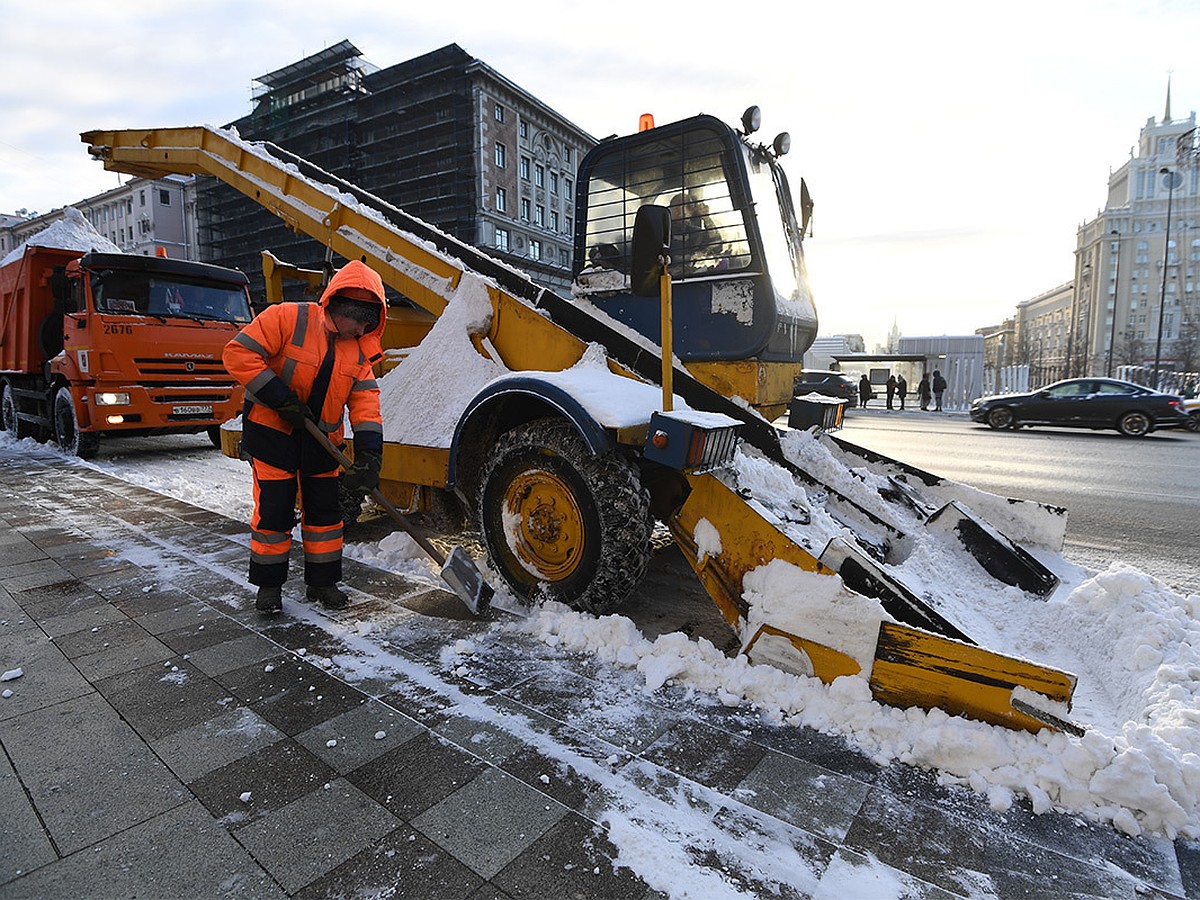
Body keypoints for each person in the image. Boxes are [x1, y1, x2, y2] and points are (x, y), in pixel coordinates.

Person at [223, 260, 387, 615]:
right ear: (340, 307)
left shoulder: (359, 351)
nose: (361, 329)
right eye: (358, 319)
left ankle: (323, 582)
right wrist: (280, 397)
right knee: (275, 512)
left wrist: (371, 456)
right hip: (273, 435)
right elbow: (238, 354)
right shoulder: (288, 318)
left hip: (322, 443)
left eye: (368, 323)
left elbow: (366, 404)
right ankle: (269, 587)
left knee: (325, 517)